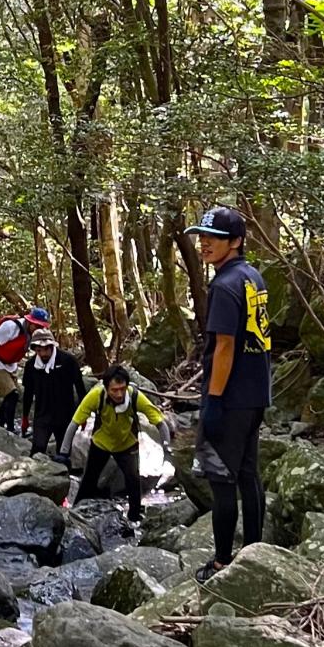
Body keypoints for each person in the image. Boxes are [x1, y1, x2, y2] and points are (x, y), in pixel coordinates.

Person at [182, 206, 272, 583]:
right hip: (255, 393)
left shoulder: (223, 285)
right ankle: (254, 552)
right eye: (202, 236)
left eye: (214, 237)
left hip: (230, 395)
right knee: (249, 474)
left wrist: (214, 400)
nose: (204, 243)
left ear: (234, 242)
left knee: (221, 480)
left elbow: (224, 346)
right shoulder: (254, 277)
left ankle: (222, 562)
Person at [60, 364, 171, 521]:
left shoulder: (134, 396)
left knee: (133, 481)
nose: (119, 394)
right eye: (114, 390)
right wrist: (64, 452)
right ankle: (75, 514)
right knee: (89, 480)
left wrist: (167, 451)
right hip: (101, 444)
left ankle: (134, 519)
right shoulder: (96, 396)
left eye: (122, 389)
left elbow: (160, 423)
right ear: (106, 388)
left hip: (127, 445)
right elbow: (74, 423)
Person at [0, 305, 52, 430]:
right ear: (30, 322)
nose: (39, 329)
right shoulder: (11, 327)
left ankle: (1, 423)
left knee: (11, 395)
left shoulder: (32, 334)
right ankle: (10, 428)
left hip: (10, 364)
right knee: (12, 394)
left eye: (42, 326)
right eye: (37, 325)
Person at [20, 327, 85, 460]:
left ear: (52, 346)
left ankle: (65, 478)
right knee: (37, 450)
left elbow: (80, 387)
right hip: (42, 414)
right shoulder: (31, 366)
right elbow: (28, 393)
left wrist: (83, 416)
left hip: (65, 414)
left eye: (46, 349)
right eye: (39, 350)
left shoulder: (68, 361)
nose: (43, 353)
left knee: (64, 453)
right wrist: (25, 417)